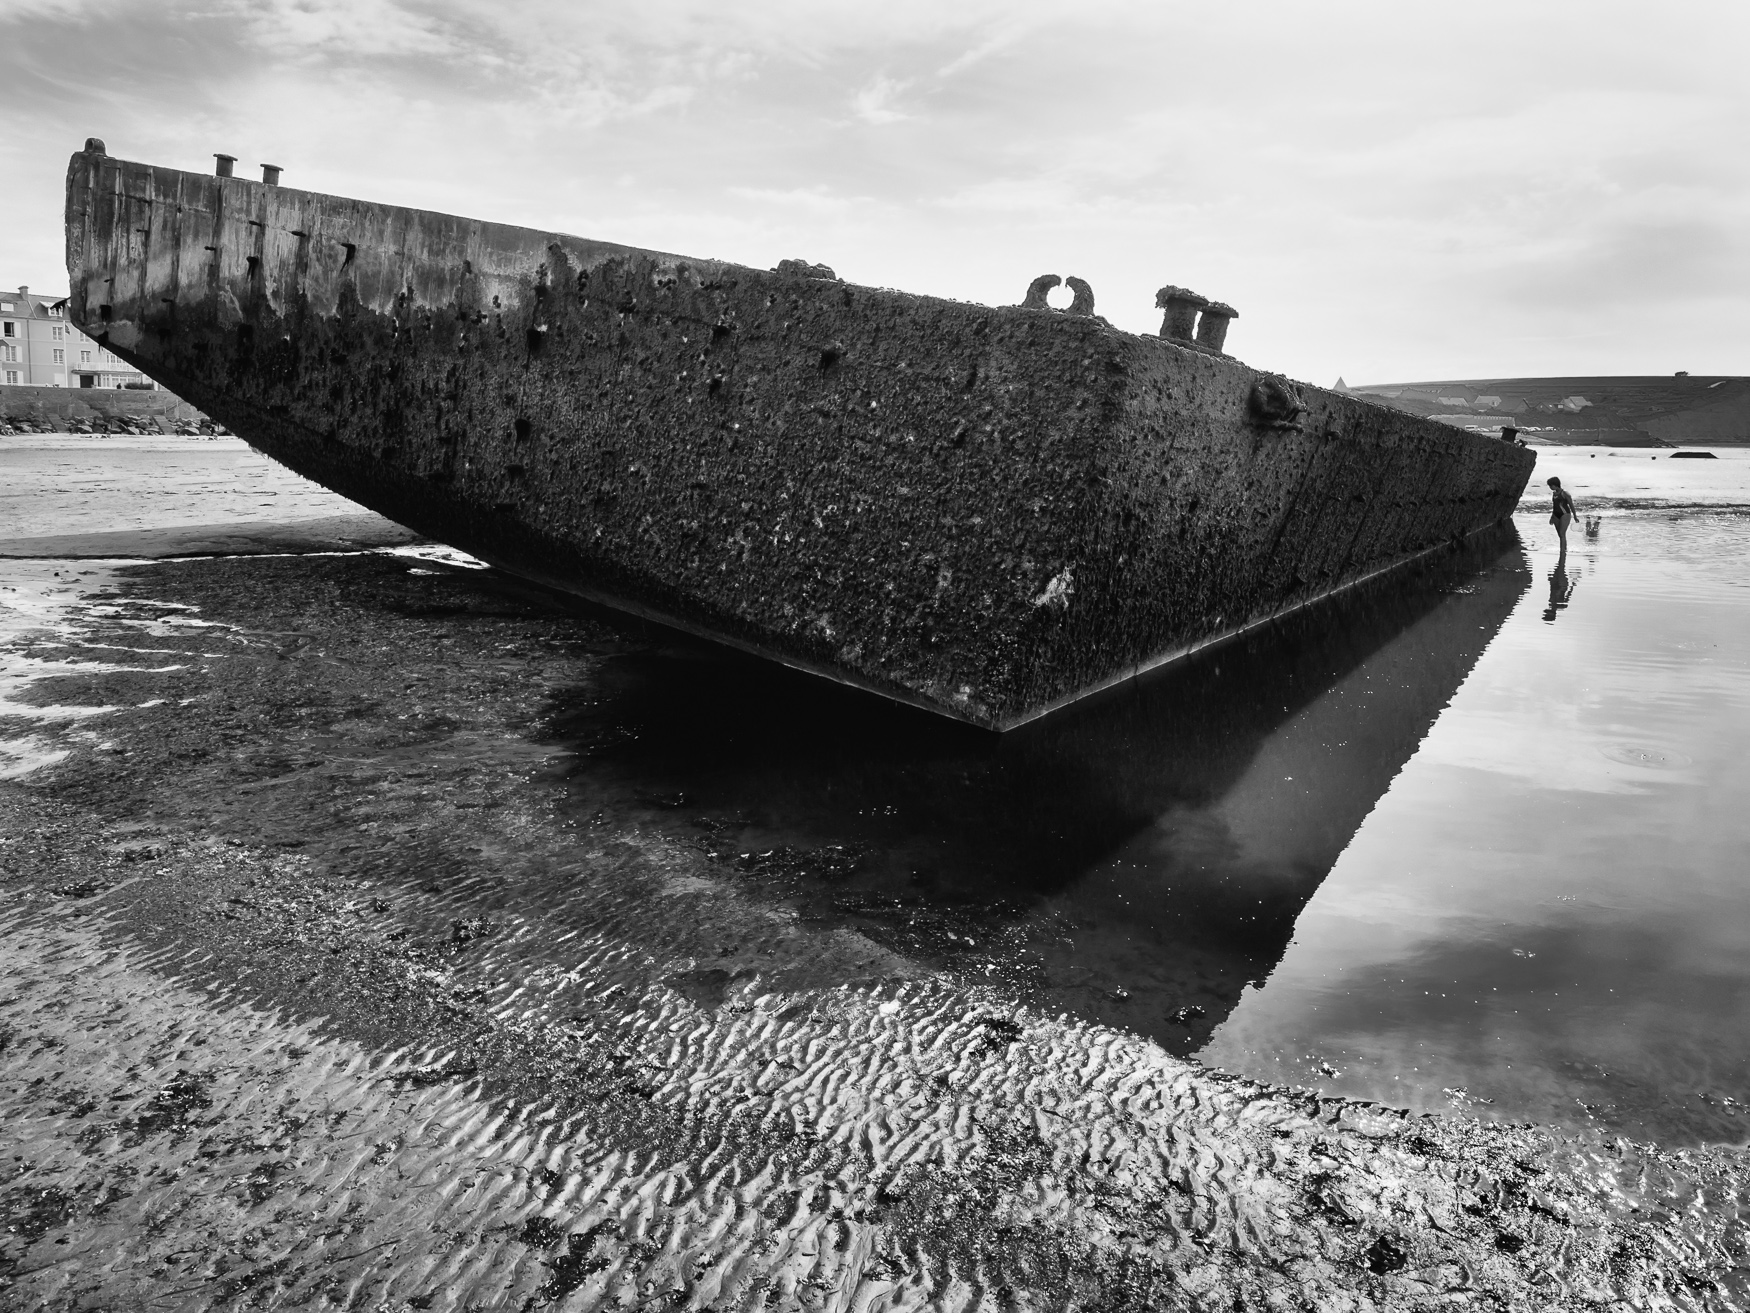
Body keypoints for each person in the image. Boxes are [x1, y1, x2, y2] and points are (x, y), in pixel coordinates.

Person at [1546, 476, 1576, 547]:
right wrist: (1552, 517)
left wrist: (1575, 516)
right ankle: (1562, 550)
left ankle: (1563, 551)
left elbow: (1571, 505)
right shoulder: (1554, 494)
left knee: (1562, 534)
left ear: (1556, 484)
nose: (1550, 487)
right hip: (1556, 515)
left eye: (1551, 485)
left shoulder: (1565, 493)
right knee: (1560, 534)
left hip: (1565, 514)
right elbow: (1554, 506)